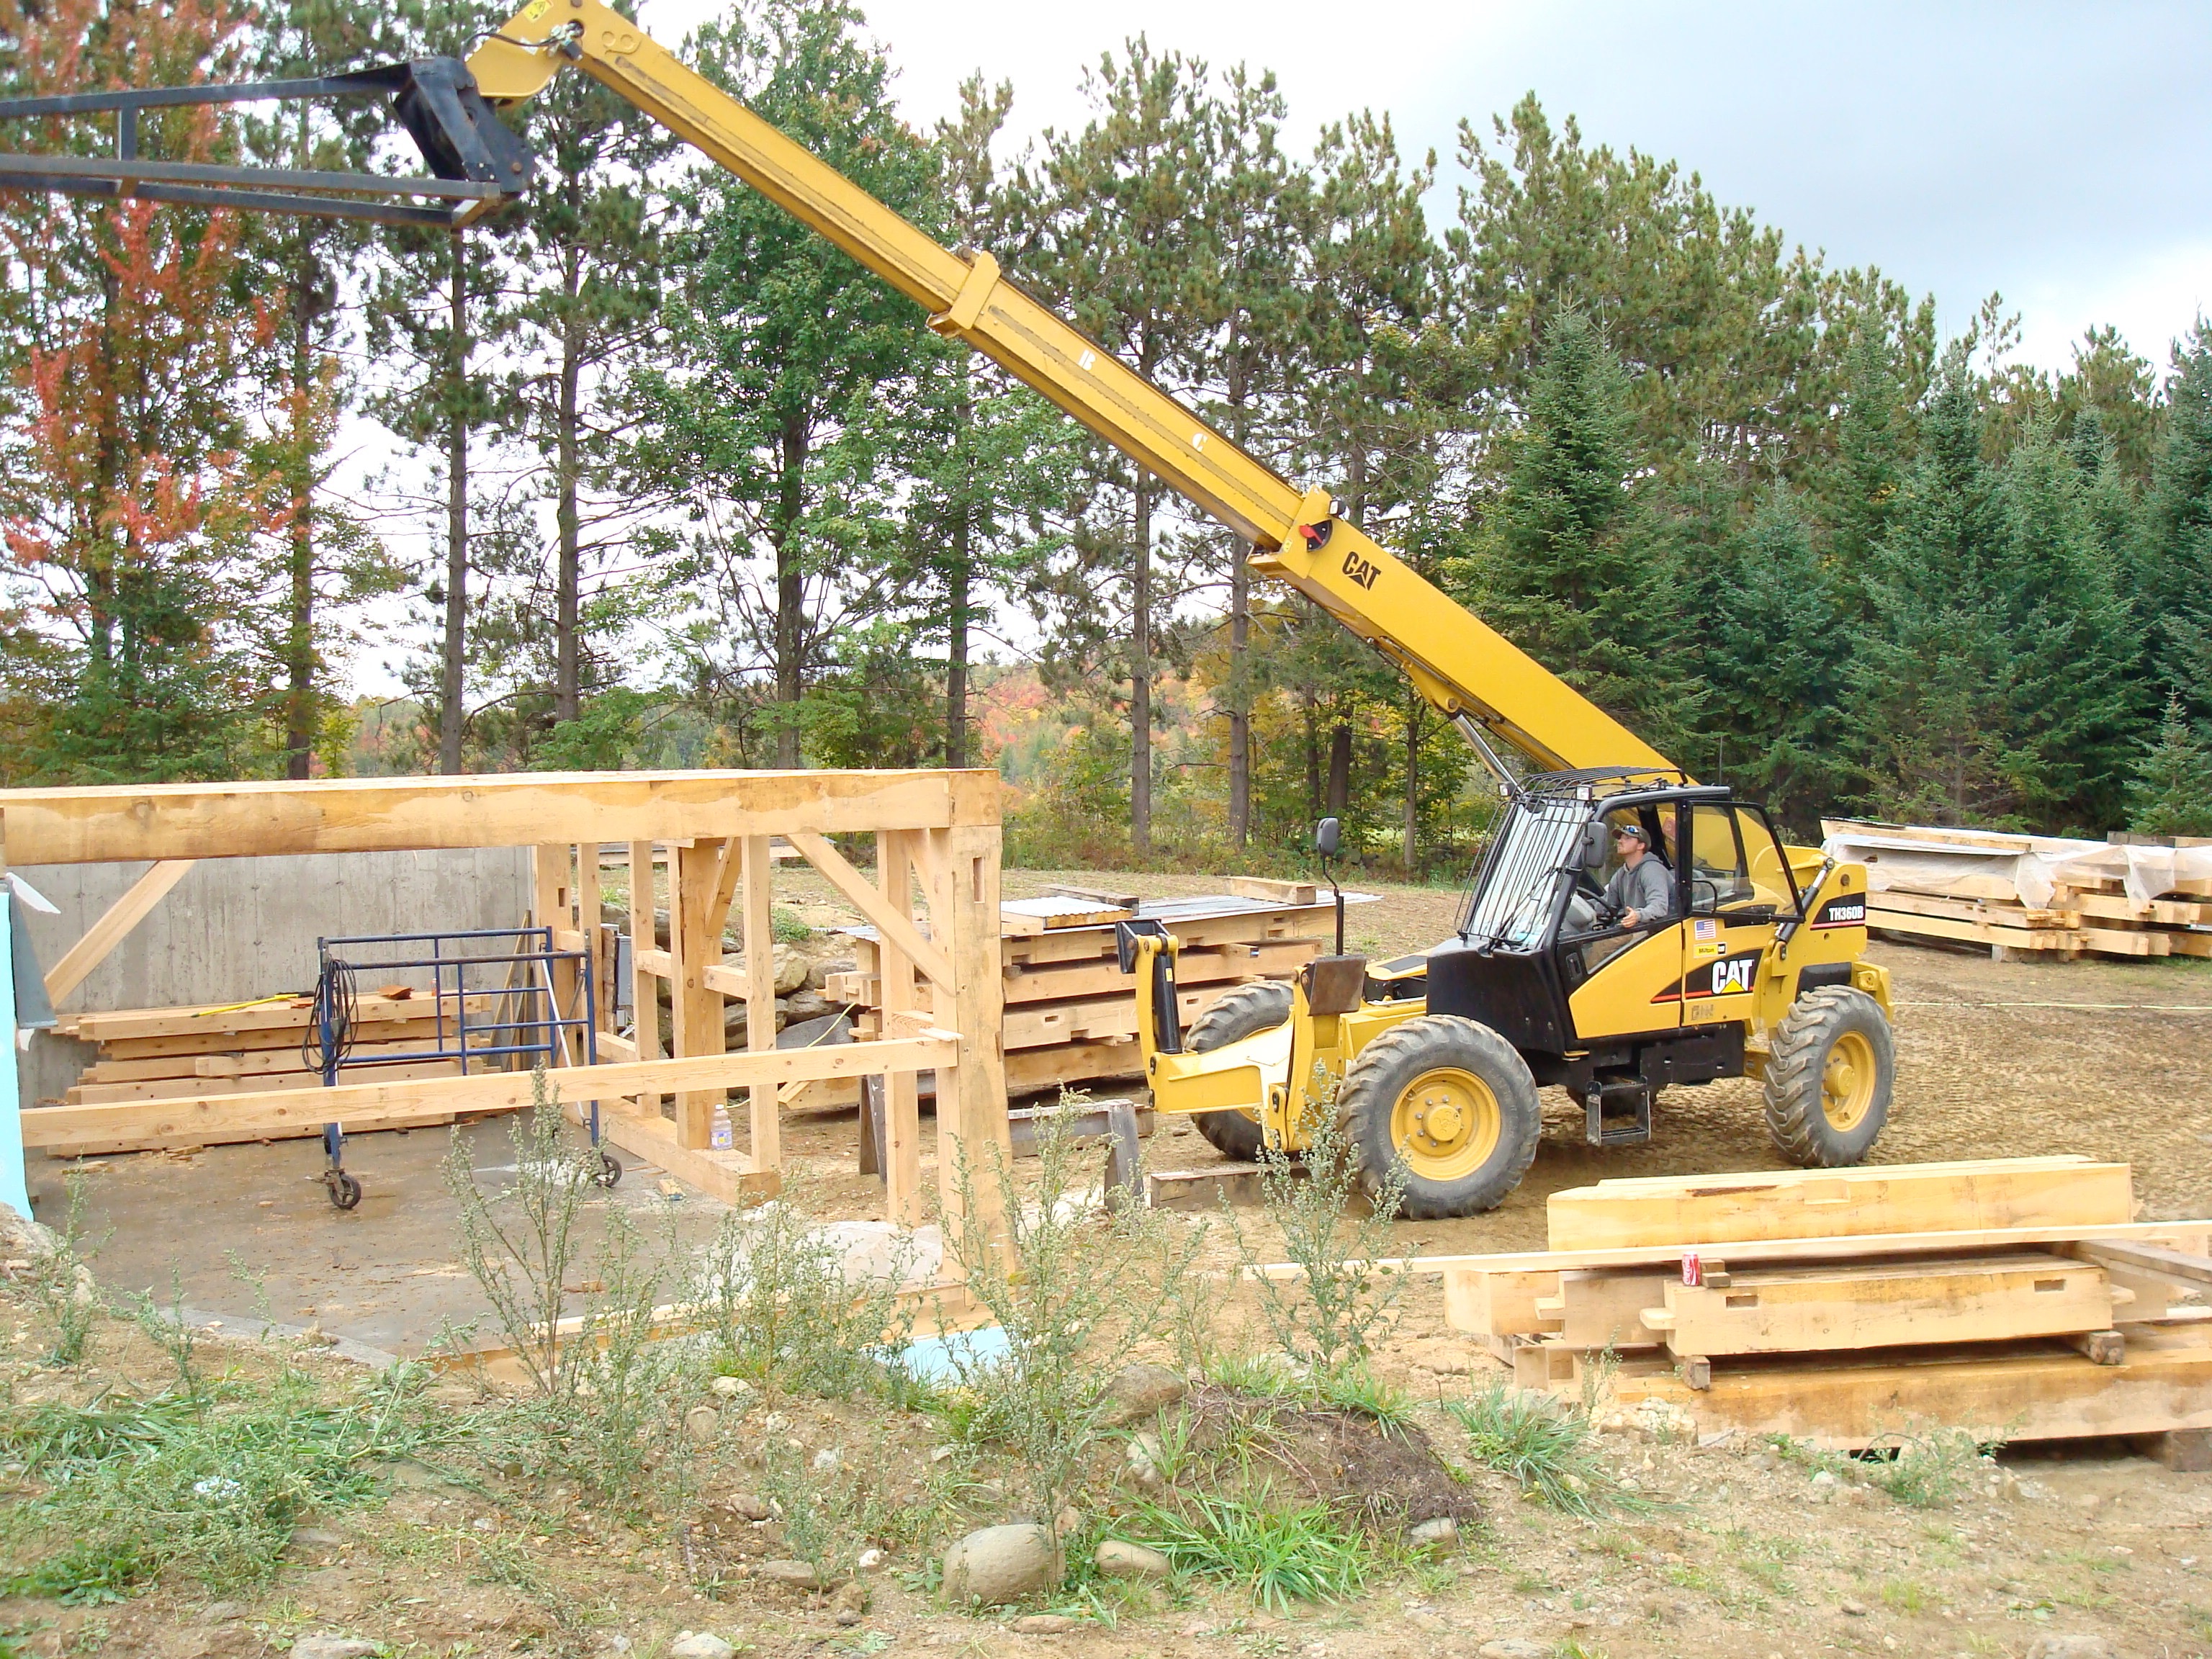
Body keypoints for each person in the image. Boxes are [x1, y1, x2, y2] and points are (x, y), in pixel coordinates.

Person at [1604, 821, 1673, 927]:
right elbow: (1607, 904)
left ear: (1641, 846)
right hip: (1635, 927)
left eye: (1627, 838)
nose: (1620, 841)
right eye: (1620, 838)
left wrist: (1638, 915)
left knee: (1599, 944)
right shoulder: (1622, 874)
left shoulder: (1652, 870)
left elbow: (1659, 907)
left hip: (1653, 929)